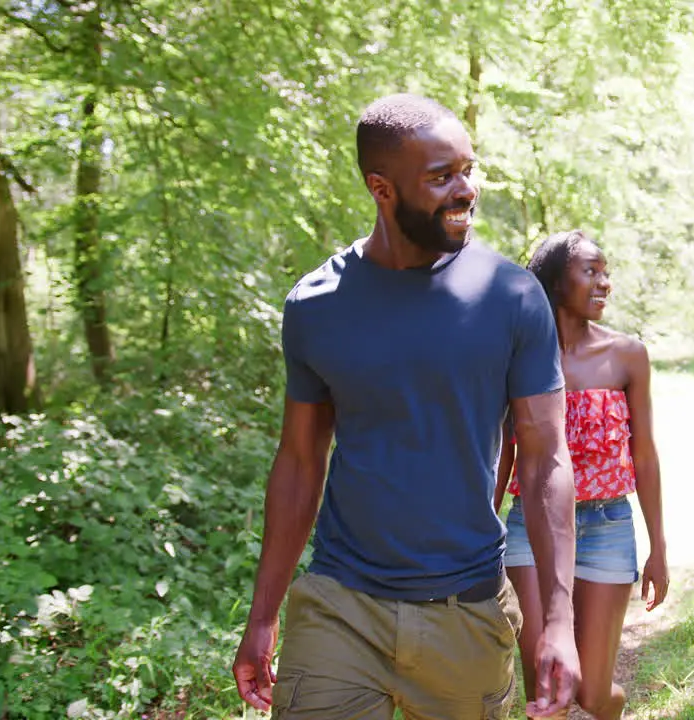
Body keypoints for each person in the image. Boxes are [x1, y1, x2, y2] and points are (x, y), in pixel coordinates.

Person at [230, 93, 581, 719]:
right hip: (339, 604)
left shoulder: (512, 296)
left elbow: (545, 459)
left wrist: (558, 621)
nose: (466, 189)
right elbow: (300, 461)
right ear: (381, 188)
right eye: (441, 176)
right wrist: (262, 615)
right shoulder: (316, 304)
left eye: (469, 169)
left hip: (465, 611)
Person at [493, 230, 668, 720]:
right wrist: (485, 531)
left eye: (606, 271)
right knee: (547, 689)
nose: (605, 282)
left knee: (590, 695)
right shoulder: (518, 357)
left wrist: (658, 547)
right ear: (553, 280)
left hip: (608, 527)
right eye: (591, 270)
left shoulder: (627, 354)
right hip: (533, 527)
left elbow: (646, 455)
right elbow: (506, 451)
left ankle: (611, 703)